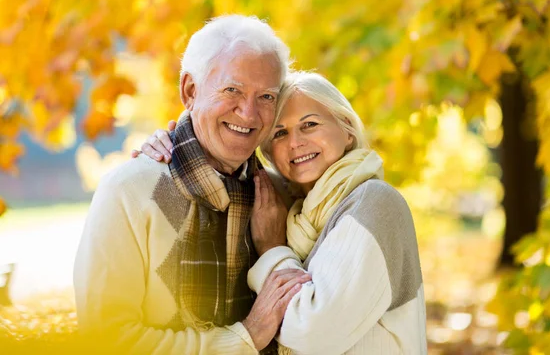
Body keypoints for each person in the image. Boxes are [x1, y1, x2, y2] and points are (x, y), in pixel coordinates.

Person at [73, 15, 312, 355]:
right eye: (232, 90)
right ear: (190, 90)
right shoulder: (130, 191)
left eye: (267, 97)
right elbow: (108, 341)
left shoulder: (280, 194)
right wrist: (246, 336)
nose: (248, 113)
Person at [141, 71, 427, 354]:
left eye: (310, 124)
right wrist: (171, 148)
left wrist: (272, 250)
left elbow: (310, 334)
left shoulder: (374, 203)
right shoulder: (291, 208)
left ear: (348, 129)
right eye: (279, 133)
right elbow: (219, 165)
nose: (295, 142)